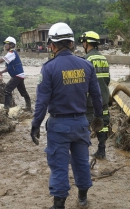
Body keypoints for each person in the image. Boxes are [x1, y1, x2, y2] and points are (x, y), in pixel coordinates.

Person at [30, 22, 103, 209]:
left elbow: (42, 103)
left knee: (59, 166)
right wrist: (98, 118)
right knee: (81, 162)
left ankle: (59, 204)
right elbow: (97, 96)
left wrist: (36, 125)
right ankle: (83, 198)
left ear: (52, 46)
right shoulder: (86, 66)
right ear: (71, 44)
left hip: (59, 125)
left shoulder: (49, 68)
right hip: (81, 123)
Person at [79, 31, 111, 159]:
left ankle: (82, 152)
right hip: (104, 98)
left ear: (86, 43)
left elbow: (83, 81)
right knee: (103, 124)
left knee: (85, 124)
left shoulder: (87, 59)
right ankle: (101, 150)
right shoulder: (103, 58)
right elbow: (107, 80)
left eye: (83, 43)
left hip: (90, 100)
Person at [0, 36, 31, 113]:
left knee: (7, 90)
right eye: (5, 44)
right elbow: (8, 68)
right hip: (19, 75)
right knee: (23, 92)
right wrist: (1, 72)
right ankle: (29, 107)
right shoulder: (10, 54)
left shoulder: (11, 53)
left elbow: (2, 60)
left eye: (6, 44)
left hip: (17, 76)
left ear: (11, 45)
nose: (5, 45)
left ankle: (6, 107)